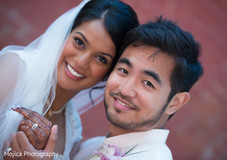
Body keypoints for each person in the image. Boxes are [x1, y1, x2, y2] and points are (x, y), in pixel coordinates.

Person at [0, 0, 139, 159]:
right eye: (79, 42)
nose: (81, 61)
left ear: (108, 73)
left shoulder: (72, 130)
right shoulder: (13, 70)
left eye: (101, 59)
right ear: (65, 32)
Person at [74, 16, 203, 159]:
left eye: (148, 83)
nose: (125, 90)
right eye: (123, 70)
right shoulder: (93, 146)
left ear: (175, 102)